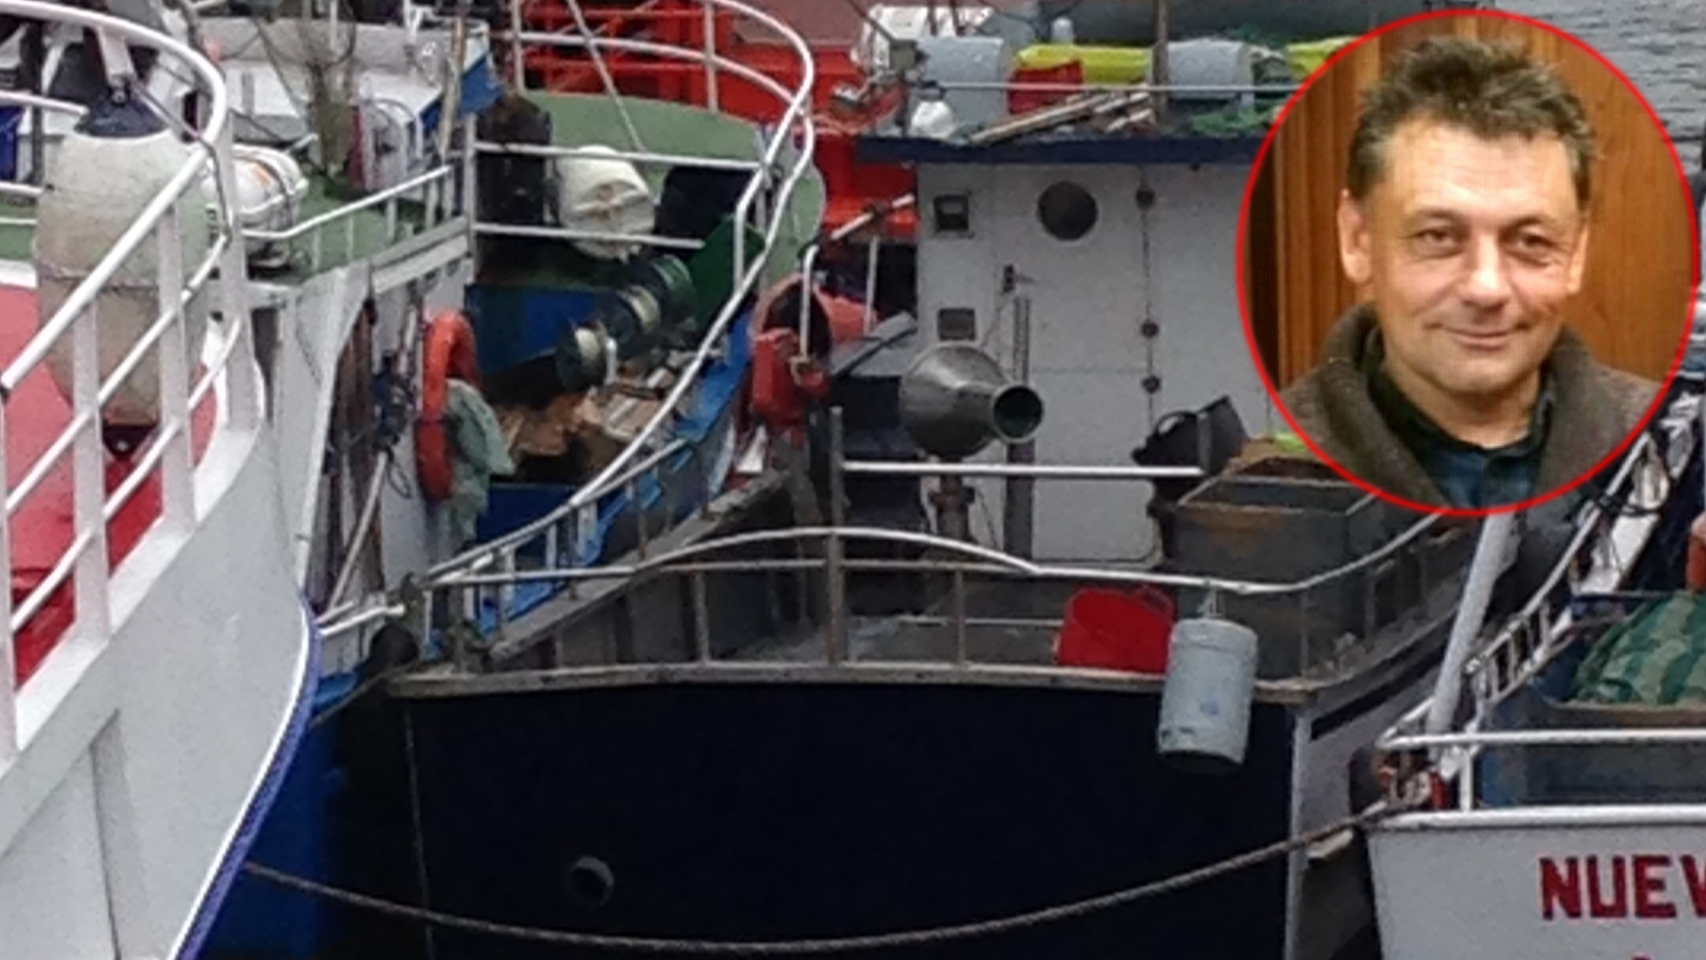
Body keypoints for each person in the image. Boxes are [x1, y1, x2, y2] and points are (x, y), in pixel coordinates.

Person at [1279, 36, 1659, 509]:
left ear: (1576, 253)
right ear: (1358, 240)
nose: (1486, 287)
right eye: (1438, 237)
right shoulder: (1268, 479)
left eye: (1530, 242)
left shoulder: (1673, 440)